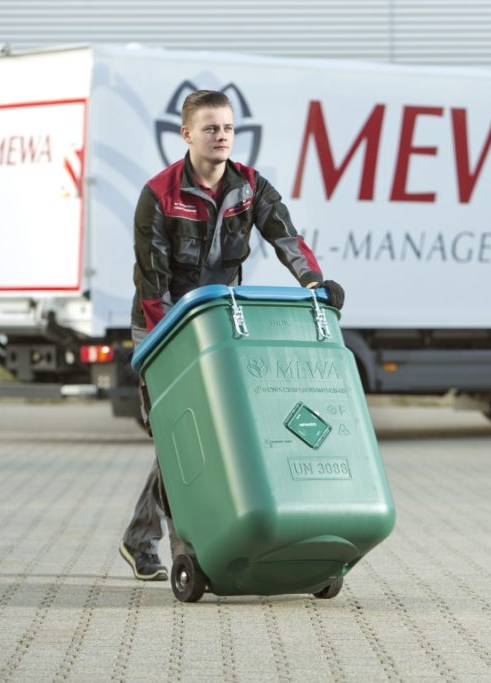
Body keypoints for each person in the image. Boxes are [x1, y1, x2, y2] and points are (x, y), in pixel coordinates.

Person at [119, 89, 345, 581]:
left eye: (226, 128)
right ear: (187, 135)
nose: (221, 136)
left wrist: (314, 282)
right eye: (210, 128)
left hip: (220, 317)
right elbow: (152, 282)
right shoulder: (160, 195)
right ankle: (190, 554)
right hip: (162, 322)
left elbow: (286, 237)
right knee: (179, 431)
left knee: (202, 432)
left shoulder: (250, 187)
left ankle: (142, 538)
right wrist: (165, 347)